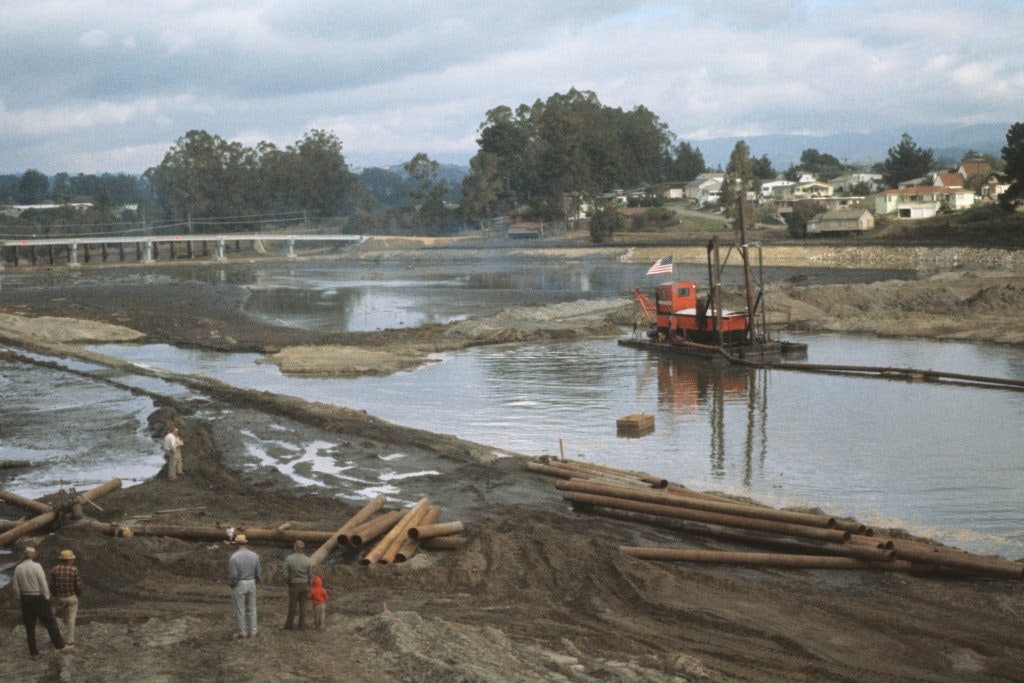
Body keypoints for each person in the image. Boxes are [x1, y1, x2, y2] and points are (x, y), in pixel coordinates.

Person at [12, 547, 68, 656]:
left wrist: (20, 597)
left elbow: (15, 586)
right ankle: (60, 646)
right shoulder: (37, 566)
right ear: (33, 554)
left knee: (29, 627)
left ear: (25, 554)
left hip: (25, 598)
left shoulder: (18, 568)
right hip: (37, 597)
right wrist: (47, 596)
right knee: (50, 622)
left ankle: (33, 653)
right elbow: (43, 583)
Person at [228, 533, 261, 639]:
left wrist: (232, 585)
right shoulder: (254, 555)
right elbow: (258, 572)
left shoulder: (234, 557)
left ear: (237, 544)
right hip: (251, 582)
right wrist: (256, 582)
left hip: (240, 583)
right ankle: (253, 631)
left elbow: (234, 575)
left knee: (240, 609)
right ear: (245, 543)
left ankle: (242, 632)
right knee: (252, 608)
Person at [50, 549, 83, 646]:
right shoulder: (74, 569)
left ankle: (58, 638)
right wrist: (77, 594)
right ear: (70, 560)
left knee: (56, 617)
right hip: (71, 597)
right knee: (71, 619)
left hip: (58, 598)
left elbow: (51, 585)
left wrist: (55, 594)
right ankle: (70, 640)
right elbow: (78, 585)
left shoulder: (54, 569)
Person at [282, 540, 312, 630]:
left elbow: (285, 573)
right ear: (303, 548)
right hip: (305, 585)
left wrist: (288, 581)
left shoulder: (289, 559)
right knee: (303, 606)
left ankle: (289, 625)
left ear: (295, 547)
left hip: (294, 584)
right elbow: (310, 574)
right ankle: (302, 626)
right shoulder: (308, 560)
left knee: (292, 606)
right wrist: (309, 584)